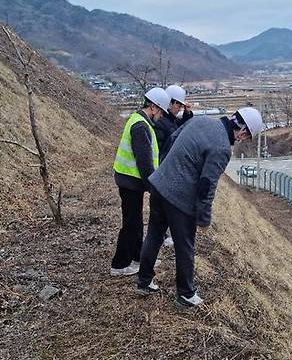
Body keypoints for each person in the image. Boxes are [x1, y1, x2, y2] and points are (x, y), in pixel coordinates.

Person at [136, 107, 263, 307]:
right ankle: (185, 294)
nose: (242, 140)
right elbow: (206, 186)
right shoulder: (222, 148)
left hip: (159, 184)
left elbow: (172, 139)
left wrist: (165, 169)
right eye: (245, 137)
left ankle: (143, 281)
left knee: (154, 233)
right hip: (178, 198)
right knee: (185, 246)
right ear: (243, 132)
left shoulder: (201, 120)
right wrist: (204, 219)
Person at [110, 87, 170, 276]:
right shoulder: (140, 127)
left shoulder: (140, 122)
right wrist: (154, 187)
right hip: (130, 182)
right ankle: (119, 265)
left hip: (130, 181)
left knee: (136, 222)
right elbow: (144, 163)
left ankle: (138, 258)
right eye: (161, 112)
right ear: (153, 107)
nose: (160, 117)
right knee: (131, 224)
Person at [153, 84, 193, 247]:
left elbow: (178, 127)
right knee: (163, 206)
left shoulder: (168, 120)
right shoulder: (162, 123)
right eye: (178, 105)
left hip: (166, 168)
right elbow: (172, 136)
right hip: (164, 168)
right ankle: (160, 236)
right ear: (169, 103)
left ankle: (161, 235)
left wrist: (188, 115)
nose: (179, 109)